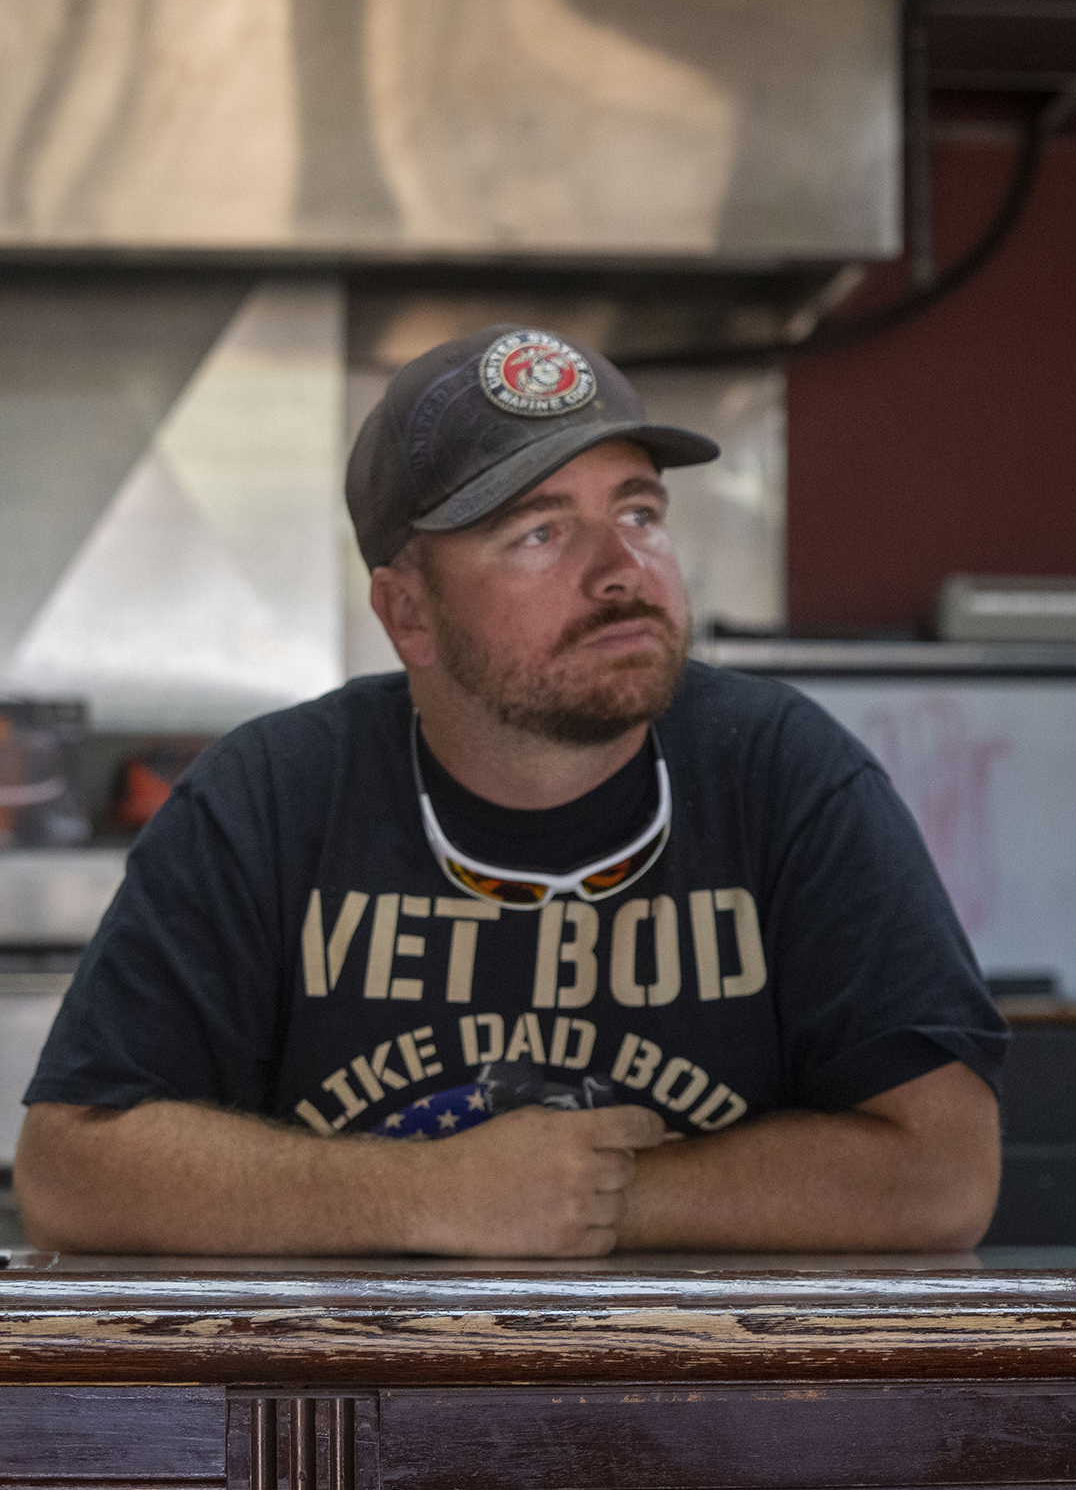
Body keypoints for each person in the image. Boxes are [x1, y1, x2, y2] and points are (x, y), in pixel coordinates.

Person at [14, 325, 1007, 1258]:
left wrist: (592, 1198)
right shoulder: (270, 797)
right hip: (356, 1420)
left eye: (638, 512)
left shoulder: (785, 772)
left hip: (713, 1415)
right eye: (540, 532)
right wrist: (430, 1195)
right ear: (408, 612)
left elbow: (943, 1173)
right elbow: (70, 1168)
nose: (623, 568)